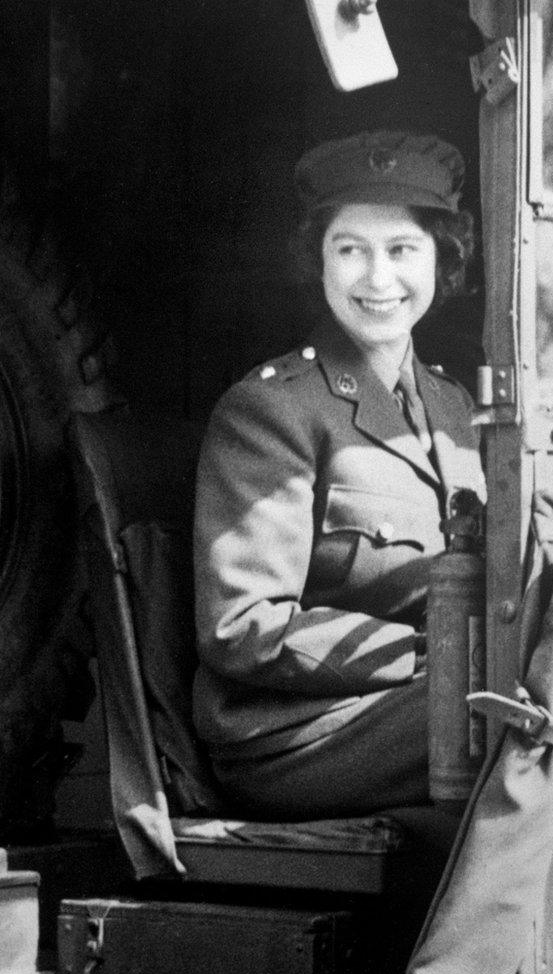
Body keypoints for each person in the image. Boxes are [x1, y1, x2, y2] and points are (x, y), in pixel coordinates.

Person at [191, 130, 485, 821]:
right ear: (317, 262)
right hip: (298, 735)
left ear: (443, 259)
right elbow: (242, 625)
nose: (377, 279)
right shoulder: (272, 408)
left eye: (402, 250)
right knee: (517, 719)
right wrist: (428, 655)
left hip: (412, 706)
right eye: (349, 249)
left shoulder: (454, 407)